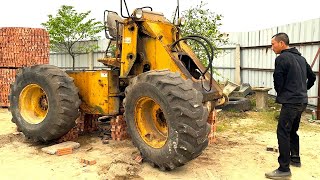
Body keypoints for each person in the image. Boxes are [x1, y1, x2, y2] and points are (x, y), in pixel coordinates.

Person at [265, 32, 316, 179]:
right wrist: (303, 90)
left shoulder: (282, 58)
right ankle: (295, 159)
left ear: (281, 43)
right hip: (301, 101)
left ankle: (284, 169)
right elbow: (312, 77)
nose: (272, 47)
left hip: (291, 102)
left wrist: (283, 93)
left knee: (283, 132)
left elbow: (278, 80)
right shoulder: (301, 58)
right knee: (292, 130)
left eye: (273, 44)